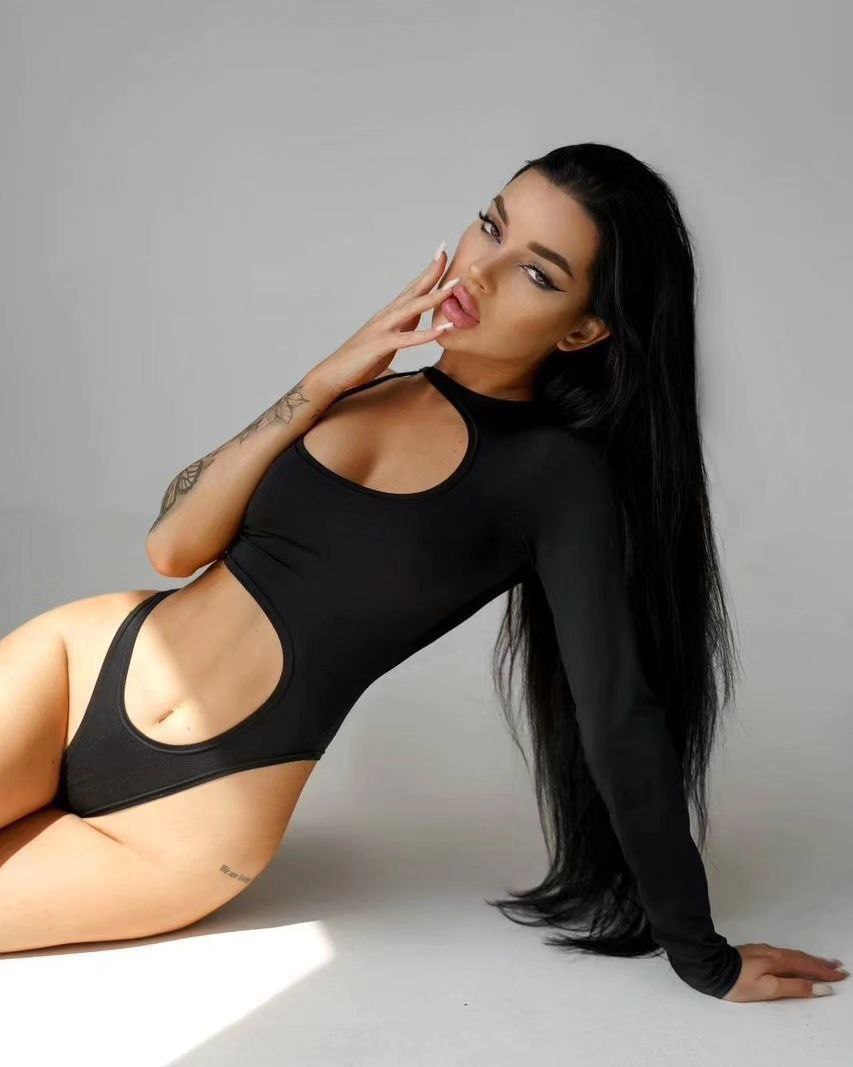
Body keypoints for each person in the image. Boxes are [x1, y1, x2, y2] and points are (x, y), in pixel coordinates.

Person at [0, 144, 845, 1004]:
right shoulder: (366, 388)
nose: (482, 269)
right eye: (490, 226)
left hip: (189, 816)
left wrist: (702, 954)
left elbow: (618, 715)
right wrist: (329, 375)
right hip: (76, 670)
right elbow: (173, 547)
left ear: (583, 330)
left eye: (537, 274)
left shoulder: (553, 477)